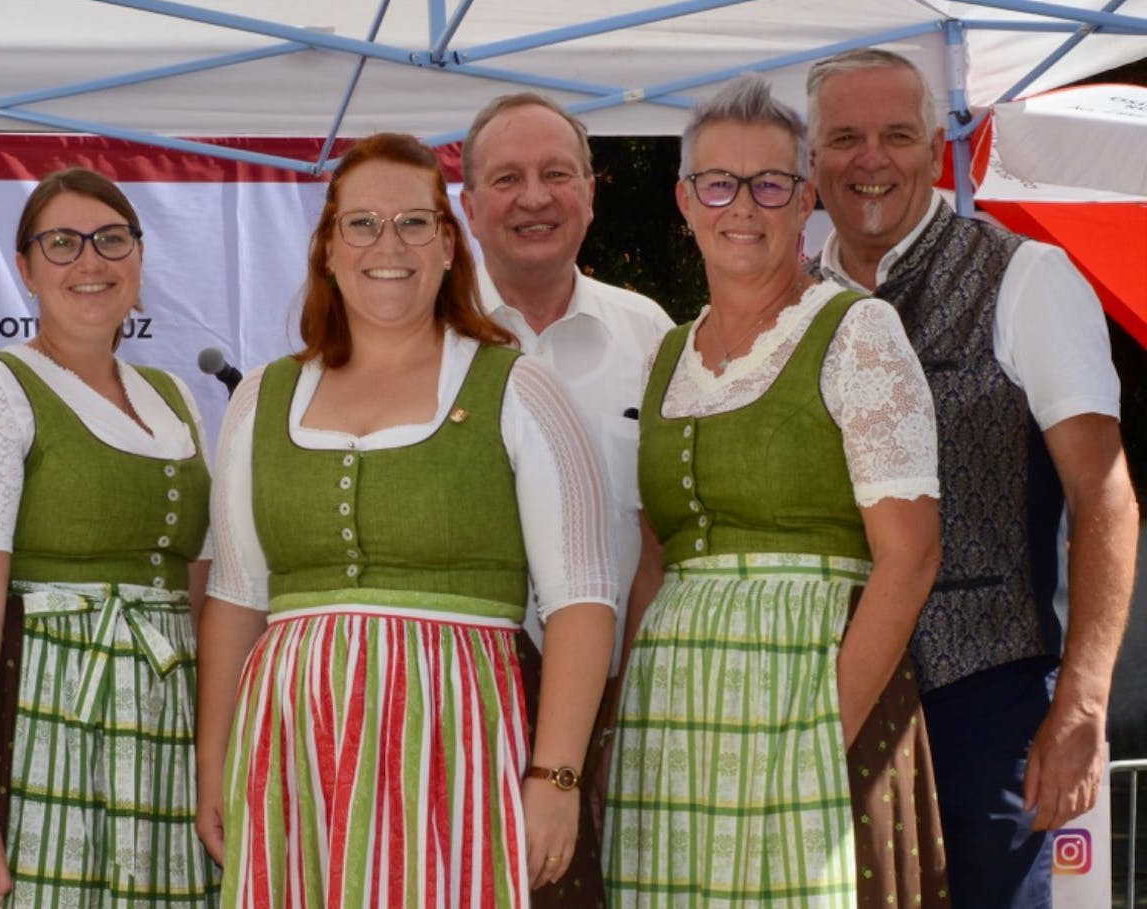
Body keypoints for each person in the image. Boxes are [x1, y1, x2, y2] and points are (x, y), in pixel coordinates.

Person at [194, 132, 617, 907]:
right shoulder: (261, 397)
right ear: (326, 247)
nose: (387, 244)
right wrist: (213, 760)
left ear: (451, 245)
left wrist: (556, 775)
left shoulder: (517, 387)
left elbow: (582, 599)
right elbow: (235, 596)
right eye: (361, 224)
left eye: (414, 223)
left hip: (457, 744)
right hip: (293, 750)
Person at [807, 48, 1139, 909]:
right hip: (833, 695)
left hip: (987, 699)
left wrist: (1082, 702)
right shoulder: (795, 303)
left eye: (895, 135)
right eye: (844, 137)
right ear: (812, 163)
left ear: (931, 150)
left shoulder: (1025, 276)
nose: (869, 158)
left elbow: (1104, 495)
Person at [602, 75, 945, 907]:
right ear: (686, 200)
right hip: (675, 715)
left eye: (770, 184)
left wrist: (823, 731)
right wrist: (620, 718)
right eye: (719, 183)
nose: (742, 207)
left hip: (811, 690)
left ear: (805, 202)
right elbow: (654, 558)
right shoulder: (669, 354)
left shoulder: (857, 332)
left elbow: (910, 556)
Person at [0, 167, 218, 909]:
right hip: (48, 707)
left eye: (111, 240)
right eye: (63, 243)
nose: (90, 262)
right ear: (26, 268)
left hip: (165, 722)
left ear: (139, 258)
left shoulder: (173, 397)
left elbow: (201, 600)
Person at [460, 93, 675, 907]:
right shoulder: (423, 336)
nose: (534, 197)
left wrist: (627, 708)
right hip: (464, 710)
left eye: (557, 173)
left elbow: (667, 536)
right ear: (470, 205)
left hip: (625, 709)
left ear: (592, 190)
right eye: (507, 178)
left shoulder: (650, 334)